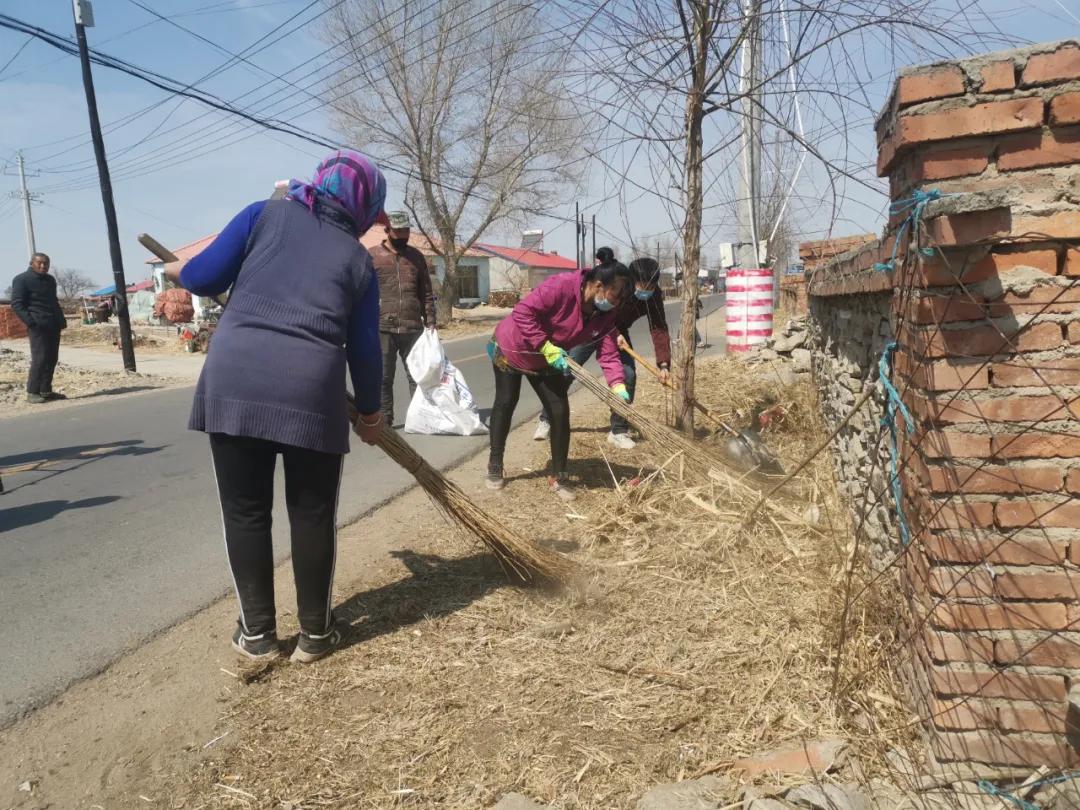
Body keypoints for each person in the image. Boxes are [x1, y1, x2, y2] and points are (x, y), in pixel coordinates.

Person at [169, 149, 387, 664]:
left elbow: (201, 277)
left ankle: (258, 636)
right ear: (365, 204)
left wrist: (179, 269)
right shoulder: (359, 260)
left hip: (235, 381)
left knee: (245, 514)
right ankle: (315, 635)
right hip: (311, 392)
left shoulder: (261, 214)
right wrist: (372, 414)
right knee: (312, 515)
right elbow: (365, 349)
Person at [487, 261, 633, 501]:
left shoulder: (605, 313)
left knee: (559, 411)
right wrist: (545, 346)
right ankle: (495, 462)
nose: (616, 302)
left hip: (549, 359)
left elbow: (607, 351)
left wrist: (617, 384)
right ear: (598, 286)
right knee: (506, 401)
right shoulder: (562, 286)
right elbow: (523, 312)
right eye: (615, 295)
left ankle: (559, 475)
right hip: (512, 347)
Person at [534, 253, 671, 450]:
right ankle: (547, 418)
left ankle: (618, 430)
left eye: (651, 287)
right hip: (592, 327)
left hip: (619, 334)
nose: (646, 291)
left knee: (627, 375)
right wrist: (610, 330)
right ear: (632, 281)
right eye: (642, 286)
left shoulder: (654, 296)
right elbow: (595, 305)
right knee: (566, 370)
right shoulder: (618, 285)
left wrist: (664, 363)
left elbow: (658, 327)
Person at [369, 210, 436, 427]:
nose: (403, 235)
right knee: (384, 378)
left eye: (406, 230)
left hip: (413, 326)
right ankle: (385, 420)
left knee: (417, 376)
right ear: (387, 230)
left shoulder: (416, 257)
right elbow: (361, 293)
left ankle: (420, 419)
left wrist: (431, 320)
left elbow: (426, 291)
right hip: (383, 326)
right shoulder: (371, 257)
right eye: (398, 231)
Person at [10, 252, 67, 404]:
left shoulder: (50, 280)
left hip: (53, 324)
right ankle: (32, 392)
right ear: (32, 263)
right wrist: (31, 322)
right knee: (40, 358)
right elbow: (17, 304)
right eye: (40, 263)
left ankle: (46, 390)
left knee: (51, 358)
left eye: (46, 263)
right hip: (37, 325)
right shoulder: (22, 279)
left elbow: (53, 301)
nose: (43, 266)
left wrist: (61, 320)